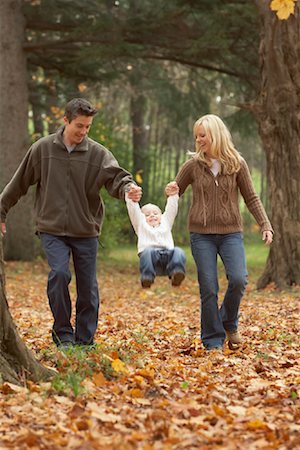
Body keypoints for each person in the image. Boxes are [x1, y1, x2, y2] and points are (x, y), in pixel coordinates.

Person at [0, 98, 141, 349]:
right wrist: (1, 211)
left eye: (88, 127)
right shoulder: (42, 150)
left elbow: (117, 178)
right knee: (59, 274)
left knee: (87, 287)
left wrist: (129, 188)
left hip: (86, 229)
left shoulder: (97, 153)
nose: (83, 132)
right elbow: (19, 182)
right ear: (65, 121)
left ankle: (85, 340)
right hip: (51, 228)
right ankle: (63, 333)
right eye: (79, 126)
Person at [166, 114, 273, 351]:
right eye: (196, 136)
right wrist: (170, 190)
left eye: (202, 135)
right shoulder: (193, 165)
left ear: (216, 134)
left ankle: (228, 322)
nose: (198, 140)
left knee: (238, 279)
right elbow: (175, 191)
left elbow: (251, 198)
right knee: (209, 288)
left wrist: (265, 224)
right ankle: (212, 340)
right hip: (201, 235)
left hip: (230, 233)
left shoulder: (237, 164)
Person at [125, 188, 186, 288]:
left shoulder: (166, 222)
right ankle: (147, 278)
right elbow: (133, 210)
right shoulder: (141, 225)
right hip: (150, 257)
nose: (152, 215)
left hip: (168, 255)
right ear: (142, 217)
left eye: (155, 213)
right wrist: (130, 196)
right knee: (147, 252)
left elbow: (172, 208)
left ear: (161, 215)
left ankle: (176, 274)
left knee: (179, 251)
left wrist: (173, 195)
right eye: (147, 215)